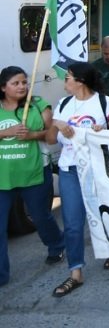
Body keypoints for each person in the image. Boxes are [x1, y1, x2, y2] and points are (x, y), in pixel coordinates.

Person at [46, 62, 109, 297]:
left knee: (104, 214)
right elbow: (51, 139)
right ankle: (75, 272)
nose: (64, 82)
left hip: (99, 171)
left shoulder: (105, 103)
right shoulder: (64, 105)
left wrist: (102, 132)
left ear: (81, 81)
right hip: (70, 170)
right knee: (73, 224)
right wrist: (57, 124)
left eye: (67, 77)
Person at [0, 66, 65, 289]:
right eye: (15, 83)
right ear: (3, 87)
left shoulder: (38, 105)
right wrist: (6, 133)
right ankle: (1, 274)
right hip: (3, 177)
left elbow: (52, 136)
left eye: (24, 82)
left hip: (35, 172)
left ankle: (57, 245)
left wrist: (32, 135)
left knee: (40, 217)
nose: (22, 87)